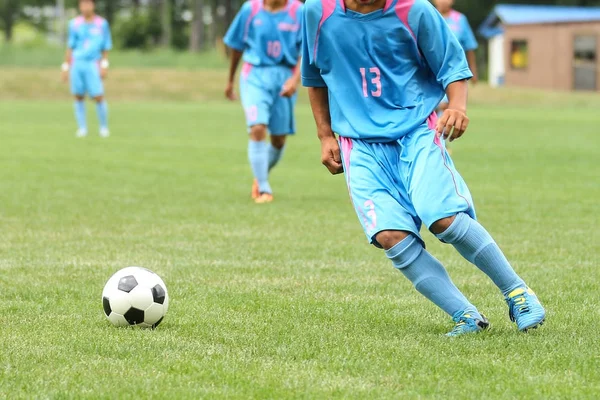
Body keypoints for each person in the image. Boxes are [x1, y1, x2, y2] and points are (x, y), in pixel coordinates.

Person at [302, 0, 546, 336]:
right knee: (390, 235)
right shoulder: (317, 13)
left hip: (416, 130)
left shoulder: (414, 10)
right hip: (358, 144)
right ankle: (465, 316)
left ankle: (518, 292)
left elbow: (452, 66)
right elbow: (314, 76)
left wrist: (458, 107)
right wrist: (324, 134)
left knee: (443, 218)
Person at [224, 0, 304, 204]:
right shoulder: (250, 10)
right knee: (258, 128)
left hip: (284, 77)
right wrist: (230, 81)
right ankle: (263, 187)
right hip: (254, 75)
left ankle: (259, 176)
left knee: (278, 140)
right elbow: (236, 46)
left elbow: (307, 51)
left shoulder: (299, 11)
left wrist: (294, 81)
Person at [61, 0, 112, 138]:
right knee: (78, 96)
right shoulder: (74, 24)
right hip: (77, 63)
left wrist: (104, 65)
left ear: (93, 5)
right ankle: (82, 128)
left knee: (98, 96)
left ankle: (103, 127)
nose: (85, 7)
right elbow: (70, 47)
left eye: (88, 4)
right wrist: (65, 67)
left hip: (93, 63)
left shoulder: (102, 24)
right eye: (82, 4)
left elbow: (105, 47)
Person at [434, 0, 478, 116]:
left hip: (452, 69)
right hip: (432, 69)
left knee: (445, 106)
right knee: (434, 106)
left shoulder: (460, 19)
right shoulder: (429, 16)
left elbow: (470, 46)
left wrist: (473, 70)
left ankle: (441, 132)